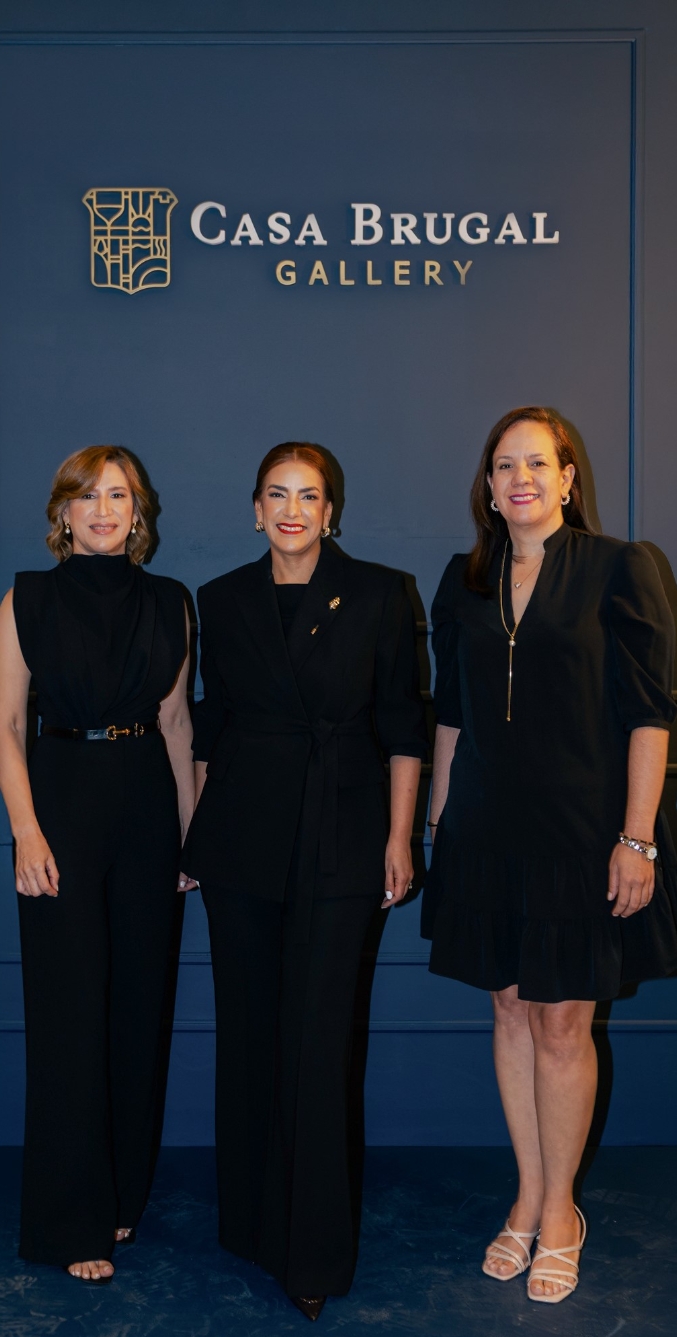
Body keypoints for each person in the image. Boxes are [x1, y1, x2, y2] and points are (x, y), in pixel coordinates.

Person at [422, 406, 677, 1304]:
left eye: (536, 463)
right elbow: (448, 711)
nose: (518, 479)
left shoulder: (620, 566)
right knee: (509, 1012)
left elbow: (651, 713)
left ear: (568, 476)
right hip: (484, 837)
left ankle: (562, 1212)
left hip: (582, 837)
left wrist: (636, 835)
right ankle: (528, 1196)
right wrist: (437, 822)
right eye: (502, 466)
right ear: (486, 486)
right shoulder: (463, 578)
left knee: (563, 1022)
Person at [181, 442, 427, 1320]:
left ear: (332, 512)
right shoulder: (220, 599)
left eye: (309, 495)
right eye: (276, 494)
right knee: (249, 1030)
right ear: (254, 509)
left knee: (319, 1041)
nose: (292, 509)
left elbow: (404, 721)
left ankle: (311, 1248)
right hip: (242, 840)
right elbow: (212, 726)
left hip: (344, 837)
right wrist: (191, 838)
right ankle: (250, 1220)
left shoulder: (379, 592)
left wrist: (400, 838)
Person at [0, 446, 194, 1284]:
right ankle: (69, 1214)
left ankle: (119, 1195)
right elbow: (5, 723)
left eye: (119, 494)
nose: (104, 508)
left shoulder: (171, 601)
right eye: (89, 495)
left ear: (137, 511)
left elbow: (179, 724)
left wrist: (191, 840)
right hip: (62, 807)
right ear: (64, 513)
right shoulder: (27, 597)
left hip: (148, 805)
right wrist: (27, 833)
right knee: (69, 1010)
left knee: (136, 1008)